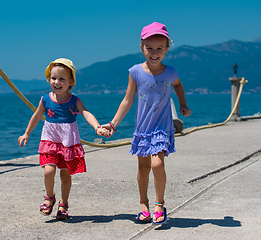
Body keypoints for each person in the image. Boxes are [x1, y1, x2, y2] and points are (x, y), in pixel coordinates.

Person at [102, 22, 191, 225]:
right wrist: (113, 124)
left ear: (167, 49)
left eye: (160, 48)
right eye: (149, 48)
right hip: (142, 130)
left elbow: (177, 85)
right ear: (141, 47)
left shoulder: (170, 72)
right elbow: (127, 100)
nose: (154, 52)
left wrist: (183, 104)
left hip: (161, 128)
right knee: (143, 168)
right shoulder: (135, 72)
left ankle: (160, 204)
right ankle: (144, 204)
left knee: (157, 163)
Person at [18, 58, 108, 220]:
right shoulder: (45, 99)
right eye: (53, 78)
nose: (57, 82)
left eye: (62, 79)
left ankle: (63, 204)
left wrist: (97, 127)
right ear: (48, 79)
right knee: (48, 170)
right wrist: (27, 133)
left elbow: (86, 113)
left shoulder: (74, 101)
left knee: (65, 175)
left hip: (67, 142)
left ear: (71, 82)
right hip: (50, 139)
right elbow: (37, 115)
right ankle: (49, 197)